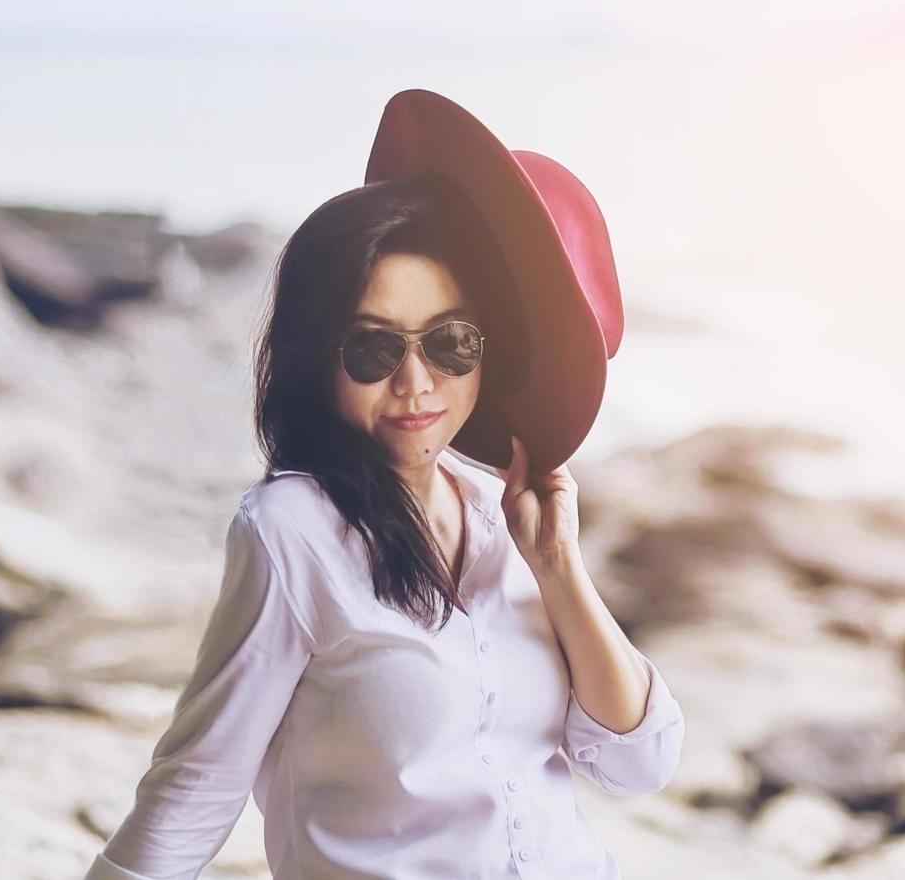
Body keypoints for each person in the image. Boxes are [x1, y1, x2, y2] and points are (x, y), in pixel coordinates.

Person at [85, 95, 684, 879]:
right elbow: (201, 780)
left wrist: (559, 568)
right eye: (372, 348)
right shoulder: (288, 530)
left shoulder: (504, 514)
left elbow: (639, 763)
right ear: (317, 358)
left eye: (450, 342)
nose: (415, 381)